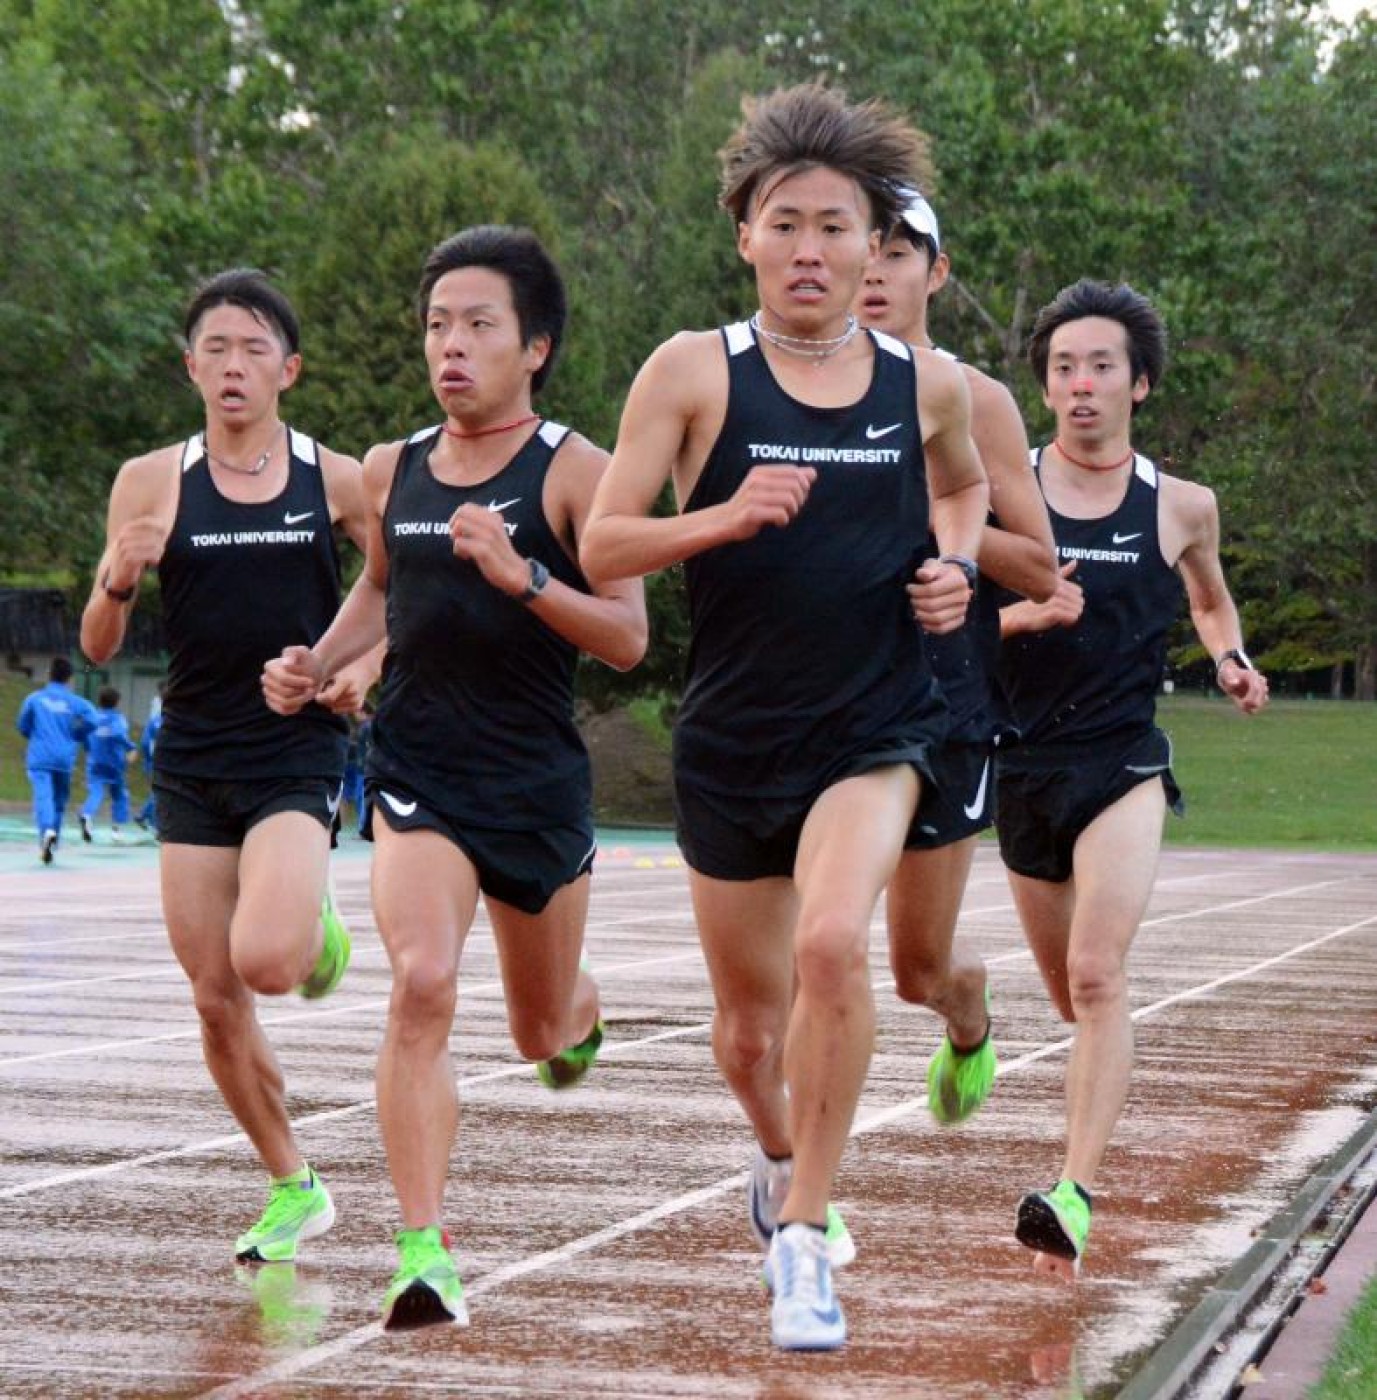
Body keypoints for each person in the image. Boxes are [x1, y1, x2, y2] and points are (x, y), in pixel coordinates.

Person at [579, 84, 989, 1351]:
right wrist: (723, 514)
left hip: (876, 727)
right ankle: (777, 1155)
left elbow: (965, 491)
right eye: (785, 223)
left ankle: (807, 1236)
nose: (811, 248)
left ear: (878, 250)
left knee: (832, 948)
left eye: (836, 227)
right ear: (746, 238)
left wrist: (956, 568)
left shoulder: (925, 382)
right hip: (734, 740)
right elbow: (602, 539)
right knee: (751, 1031)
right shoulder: (694, 370)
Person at [263, 225, 647, 1332]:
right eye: (437, 324)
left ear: (536, 345)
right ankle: (422, 1252)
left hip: (534, 785)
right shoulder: (395, 468)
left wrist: (524, 575)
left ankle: (577, 1009)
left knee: (537, 1034)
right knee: (422, 980)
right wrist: (318, 661)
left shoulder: (577, 470)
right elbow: (380, 590)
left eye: (479, 324)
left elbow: (625, 636)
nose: (452, 345)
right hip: (418, 766)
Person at [79, 267, 377, 1267]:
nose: (233, 364)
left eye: (254, 347)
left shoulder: (334, 477)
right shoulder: (149, 480)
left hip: (294, 744)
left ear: (288, 368)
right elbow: (98, 641)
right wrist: (122, 575)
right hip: (192, 755)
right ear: (190, 365)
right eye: (215, 347)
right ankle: (294, 1181)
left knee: (267, 960)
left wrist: (356, 671)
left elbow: (397, 593)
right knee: (215, 994)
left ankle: (312, 925)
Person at [996, 278, 1269, 1279]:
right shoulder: (1001, 495)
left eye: (1101, 365)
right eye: (1064, 367)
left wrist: (1232, 657)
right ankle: (991, 1026)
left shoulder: (1183, 504)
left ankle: (1071, 1192)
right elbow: (934, 622)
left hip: (1121, 761)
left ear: (1139, 383)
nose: (1080, 385)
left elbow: (1209, 602)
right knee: (1075, 1002)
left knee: (1099, 974)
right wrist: (1021, 616)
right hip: (1020, 764)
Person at [855, 191, 1059, 1126]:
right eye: (862, 244)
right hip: (828, 693)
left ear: (933, 273)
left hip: (944, 698)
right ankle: (803, 1181)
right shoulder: (787, 389)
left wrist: (951, 542)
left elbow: (1043, 563)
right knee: (810, 946)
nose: (871, 269)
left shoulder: (974, 399)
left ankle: (968, 1015)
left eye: (897, 253)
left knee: (915, 969)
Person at [15, 656, 97, 863]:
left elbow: (23, 725)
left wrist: (33, 735)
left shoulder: (35, 698)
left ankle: (47, 831)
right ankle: (53, 842)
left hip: (40, 756)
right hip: (64, 757)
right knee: (59, 801)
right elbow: (93, 720)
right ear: (69, 678)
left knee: (43, 796)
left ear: (49, 674)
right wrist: (76, 735)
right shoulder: (75, 701)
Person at [79, 685, 138, 842]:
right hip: (114, 764)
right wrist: (131, 748)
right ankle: (116, 830)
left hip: (95, 762)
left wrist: (89, 750)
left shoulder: (93, 717)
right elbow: (119, 734)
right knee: (119, 796)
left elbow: (85, 737)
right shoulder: (118, 719)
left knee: (96, 792)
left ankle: (87, 814)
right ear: (117, 702)